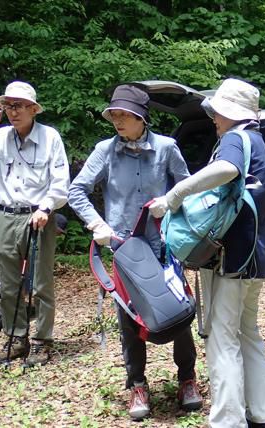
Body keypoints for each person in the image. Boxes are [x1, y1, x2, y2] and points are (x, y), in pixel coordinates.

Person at [148, 78, 265, 428]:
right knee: (247, 332)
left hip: (232, 258)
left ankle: (227, 421)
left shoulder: (235, 138)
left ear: (229, 113)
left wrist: (174, 195)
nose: (214, 119)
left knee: (222, 339)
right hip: (256, 256)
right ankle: (264, 415)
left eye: (218, 112)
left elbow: (226, 170)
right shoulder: (257, 141)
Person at [67, 85, 202, 420]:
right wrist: (98, 225)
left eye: (124, 114)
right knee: (129, 318)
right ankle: (137, 384)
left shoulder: (167, 148)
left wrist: (170, 208)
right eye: (114, 114)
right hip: (125, 251)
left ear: (143, 117)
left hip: (164, 248)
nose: (117, 120)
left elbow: (186, 190)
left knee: (178, 311)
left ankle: (187, 378)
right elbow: (77, 191)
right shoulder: (105, 150)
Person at [0, 81, 70, 367]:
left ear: (34, 109)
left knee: (41, 283)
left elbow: (61, 182)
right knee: (9, 283)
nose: (13, 111)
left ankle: (42, 341)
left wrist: (46, 208)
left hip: (39, 215)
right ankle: (15, 337)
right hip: (7, 216)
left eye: (19, 105)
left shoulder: (50, 137)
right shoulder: (0, 137)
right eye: (8, 105)